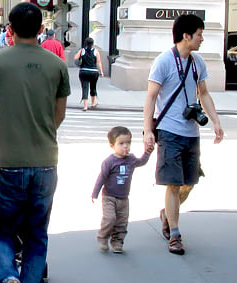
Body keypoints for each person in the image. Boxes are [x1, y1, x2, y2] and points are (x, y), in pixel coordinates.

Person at [0, 2, 70, 283]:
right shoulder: (57, 65)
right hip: (45, 163)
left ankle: (8, 277)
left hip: (8, 164)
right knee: (36, 236)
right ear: (41, 29)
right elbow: (59, 114)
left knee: (0, 231)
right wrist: (41, 135)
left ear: (10, 31)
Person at [142, 14, 224, 255]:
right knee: (174, 184)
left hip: (192, 131)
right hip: (169, 131)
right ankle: (175, 234)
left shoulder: (198, 62)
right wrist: (149, 131)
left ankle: (167, 214)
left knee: (189, 182)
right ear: (186, 36)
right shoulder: (164, 61)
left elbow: (204, 93)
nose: (202, 38)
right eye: (199, 34)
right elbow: (151, 97)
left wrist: (216, 122)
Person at [91, 126, 151, 253]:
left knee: (122, 222)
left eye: (128, 143)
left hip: (124, 198)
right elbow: (101, 177)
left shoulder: (131, 159)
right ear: (112, 146)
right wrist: (95, 193)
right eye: (121, 143)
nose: (126, 146)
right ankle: (102, 237)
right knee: (110, 218)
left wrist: (147, 152)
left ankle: (117, 241)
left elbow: (141, 162)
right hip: (109, 196)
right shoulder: (109, 162)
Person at [74, 37, 104, 111]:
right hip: (94, 72)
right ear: (93, 44)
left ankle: (85, 106)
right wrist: (101, 72)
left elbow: (75, 58)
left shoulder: (82, 50)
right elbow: (99, 62)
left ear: (85, 43)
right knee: (93, 87)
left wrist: (80, 55)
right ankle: (93, 102)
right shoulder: (96, 51)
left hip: (84, 71)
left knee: (85, 87)